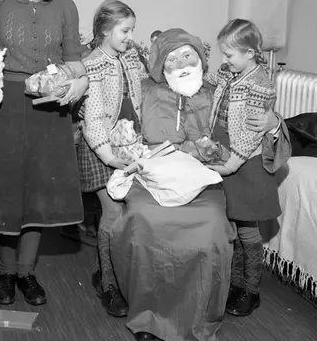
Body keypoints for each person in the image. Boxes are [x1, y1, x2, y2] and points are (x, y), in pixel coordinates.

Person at [109, 28, 290, 341]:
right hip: (162, 173)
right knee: (143, 220)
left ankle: (232, 295)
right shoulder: (146, 91)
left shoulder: (216, 87)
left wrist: (274, 122)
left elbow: (260, 117)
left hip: (217, 171)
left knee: (224, 225)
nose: (182, 65)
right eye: (173, 59)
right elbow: (118, 123)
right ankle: (151, 314)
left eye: (187, 56)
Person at [0, 0, 89, 307]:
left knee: (40, 193)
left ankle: (26, 272)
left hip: (50, 108)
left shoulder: (66, 8)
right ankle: (6, 272)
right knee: (9, 191)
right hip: (7, 108)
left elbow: (75, 61)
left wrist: (78, 83)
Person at [206, 19, 282, 317]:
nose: (224, 60)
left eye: (229, 55)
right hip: (227, 157)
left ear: (250, 53)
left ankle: (251, 290)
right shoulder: (230, 72)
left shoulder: (260, 84)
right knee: (234, 225)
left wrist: (231, 164)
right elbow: (210, 81)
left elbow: (251, 133)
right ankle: (236, 284)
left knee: (248, 231)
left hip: (245, 163)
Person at [78, 0, 146, 317]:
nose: (130, 37)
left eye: (132, 30)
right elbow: (92, 120)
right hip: (100, 149)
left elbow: (140, 96)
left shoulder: (130, 58)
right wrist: (108, 157)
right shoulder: (92, 65)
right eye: (124, 31)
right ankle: (110, 286)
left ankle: (118, 273)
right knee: (113, 213)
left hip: (128, 144)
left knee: (129, 213)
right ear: (105, 30)